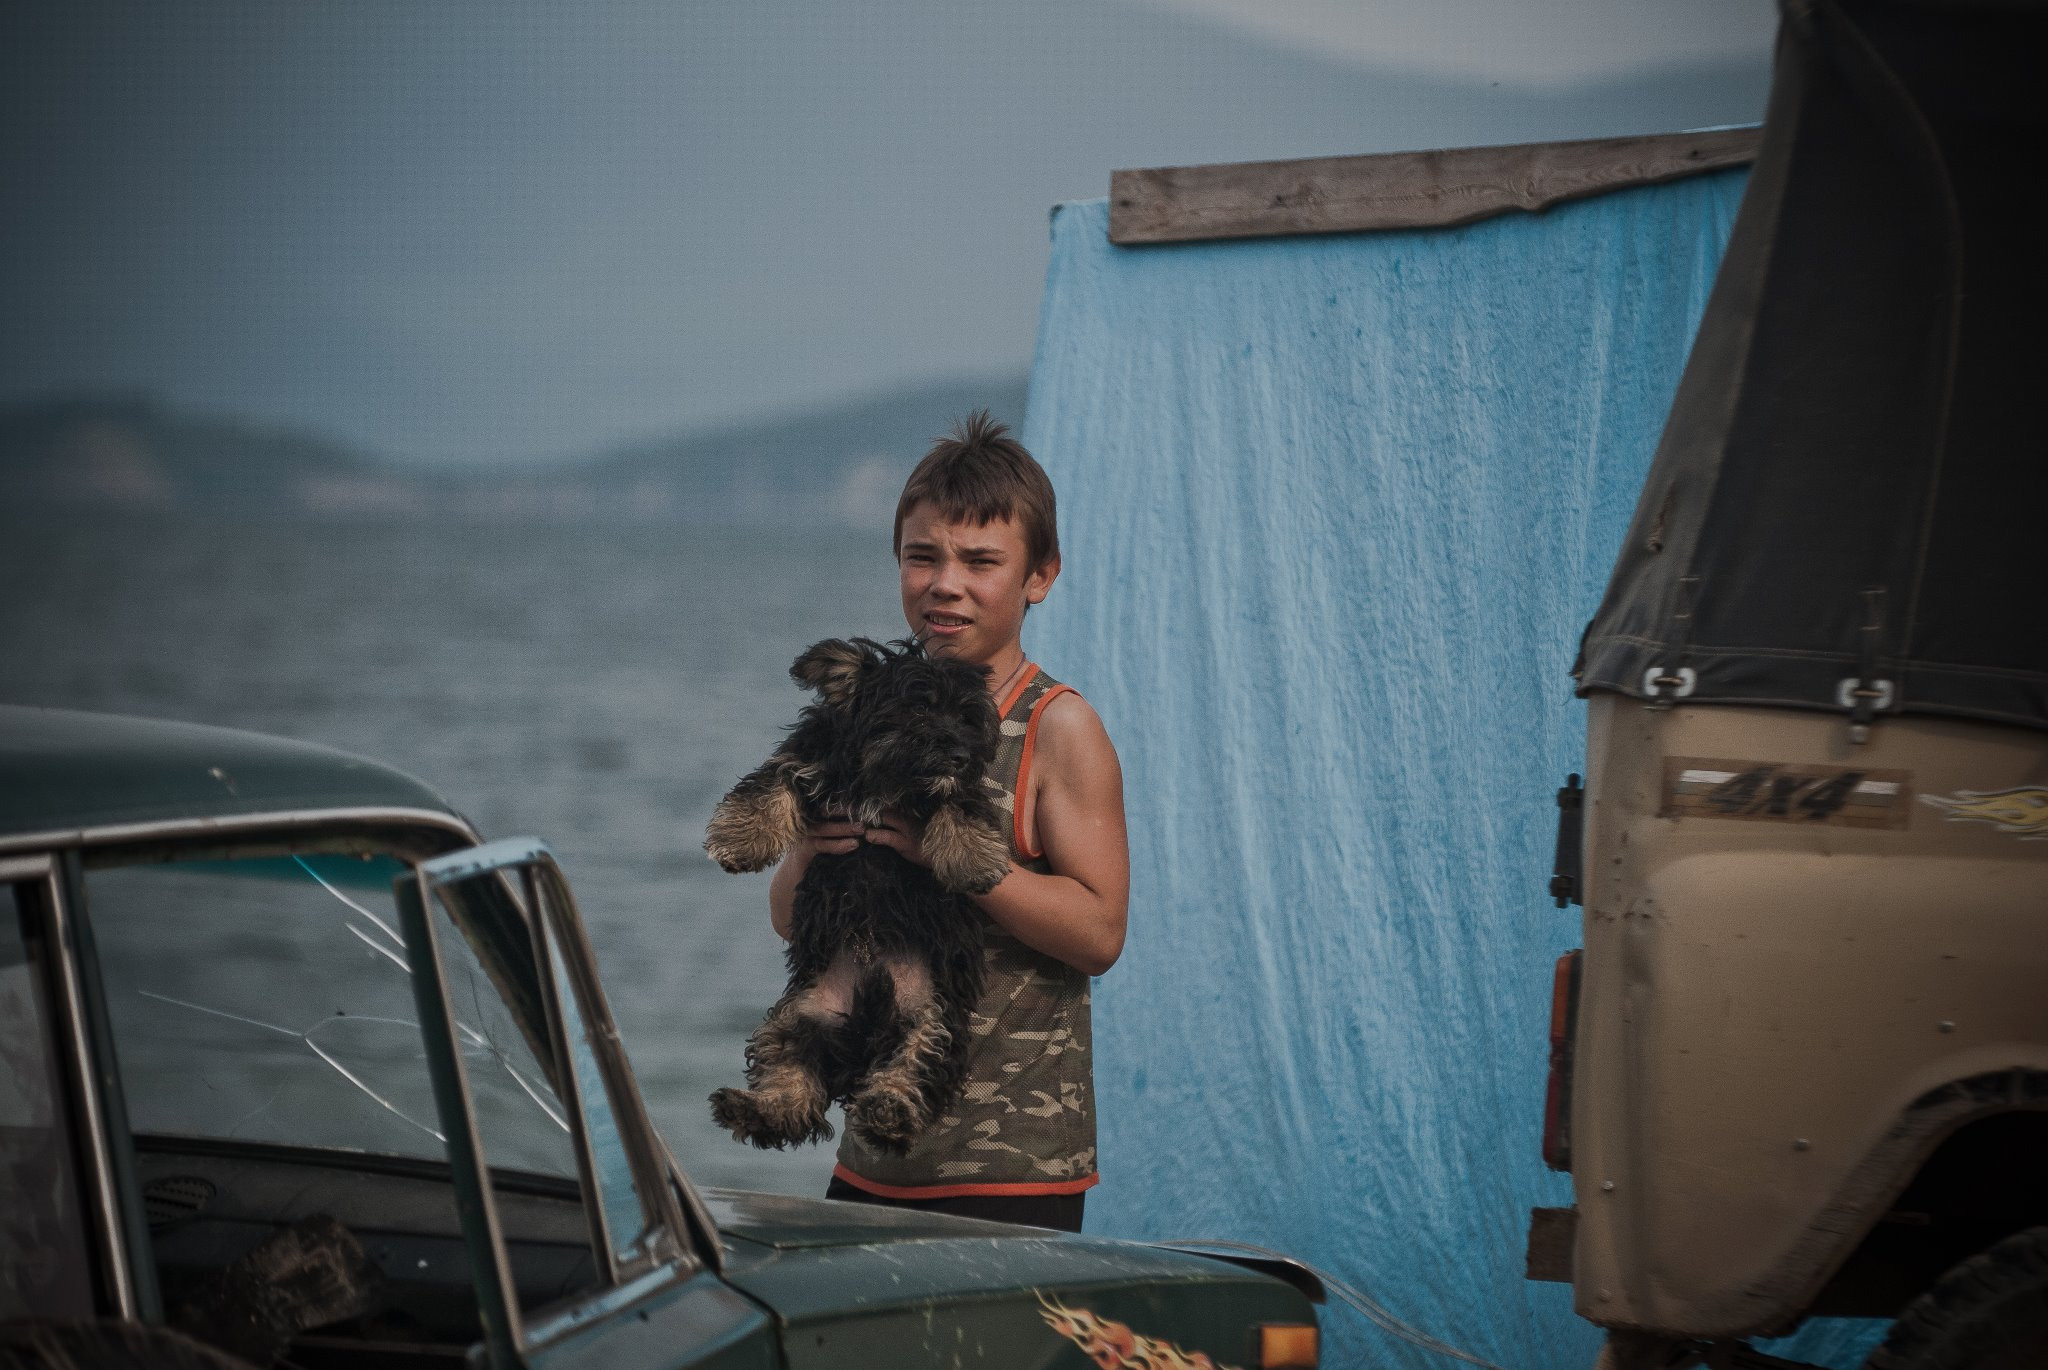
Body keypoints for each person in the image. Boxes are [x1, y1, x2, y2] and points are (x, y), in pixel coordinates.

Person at [766, 410, 1128, 1233]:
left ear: (1040, 576)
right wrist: (803, 860)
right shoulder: (865, 717)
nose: (945, 583)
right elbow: (793, 922)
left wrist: (964, 864)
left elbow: (1102, 932)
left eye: (980, 562)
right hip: (871, 1157)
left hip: (1012, 1176)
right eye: (922, 556)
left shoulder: (1056, 727)